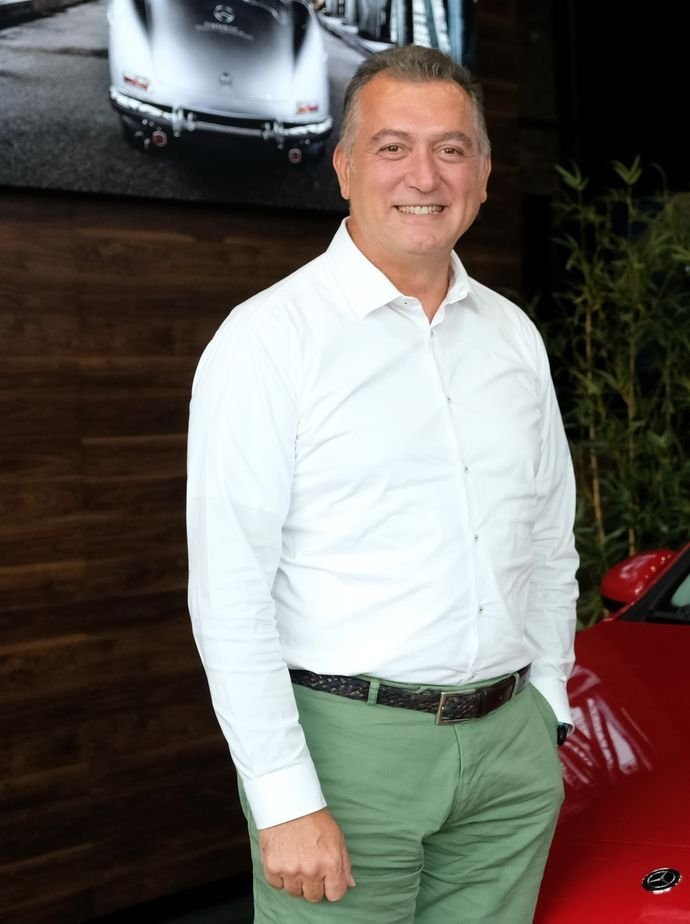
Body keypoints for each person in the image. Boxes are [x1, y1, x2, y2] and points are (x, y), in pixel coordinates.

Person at [186, 44, 579, 924]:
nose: (424, 176)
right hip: (347, 755)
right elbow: (229, 591)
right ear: (344, 167)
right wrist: (284, 795)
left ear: (483, 174)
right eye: (393, 146)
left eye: (451, 149)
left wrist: (549, 701)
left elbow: (549, 540)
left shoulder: (513, 337)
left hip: (509, 751)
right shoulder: (268, 340)